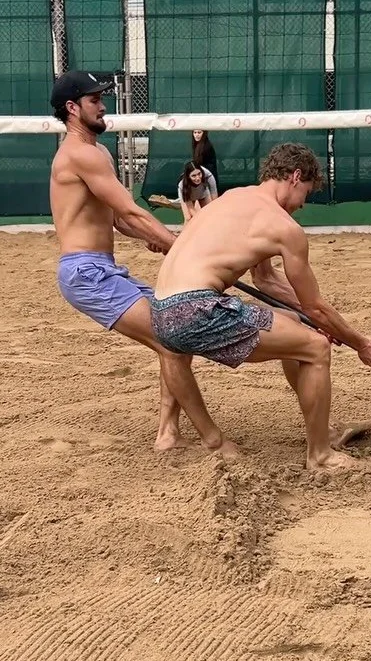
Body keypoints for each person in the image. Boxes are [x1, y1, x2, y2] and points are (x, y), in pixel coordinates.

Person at [150, 143, 371, 472]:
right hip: (197, 309)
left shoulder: (232, 198)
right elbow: (316, 306)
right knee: (316, 348)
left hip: (161, 314)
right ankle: (321, 455)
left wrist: (311, 318)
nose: (303, 204)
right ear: (295, 176)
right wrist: (360, 343)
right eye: (306, 192)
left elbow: (266, 281)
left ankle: (323, 429)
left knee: (294, 325)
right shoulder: (284, 227)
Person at [48, 69, 237, 458]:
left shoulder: (98, 152)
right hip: (86, 273)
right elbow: (131, 213)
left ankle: (169, 433)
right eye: (95, 100)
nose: (104, 106)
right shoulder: (79, 153)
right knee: (172, 339)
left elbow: (117, 221)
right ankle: (212, 440)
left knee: (176, 334)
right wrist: (178, 245)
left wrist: (159, 240)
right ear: (72, 108)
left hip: (103, 269)